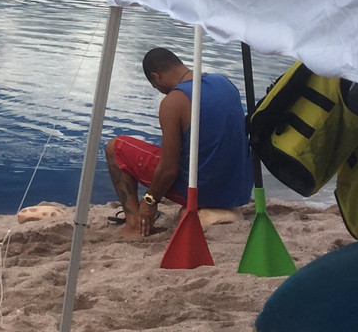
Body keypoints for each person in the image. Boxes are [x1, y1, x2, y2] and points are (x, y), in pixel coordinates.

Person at [106, 47, 253, 239]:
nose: (158, 90)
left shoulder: (174, 101)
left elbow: (169, 169)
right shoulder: (224, 82)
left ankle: (134, 225)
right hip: (237, 190)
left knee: (115, 147)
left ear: (156, 77)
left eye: (154, 85)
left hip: (202, 192)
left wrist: (150, 200)